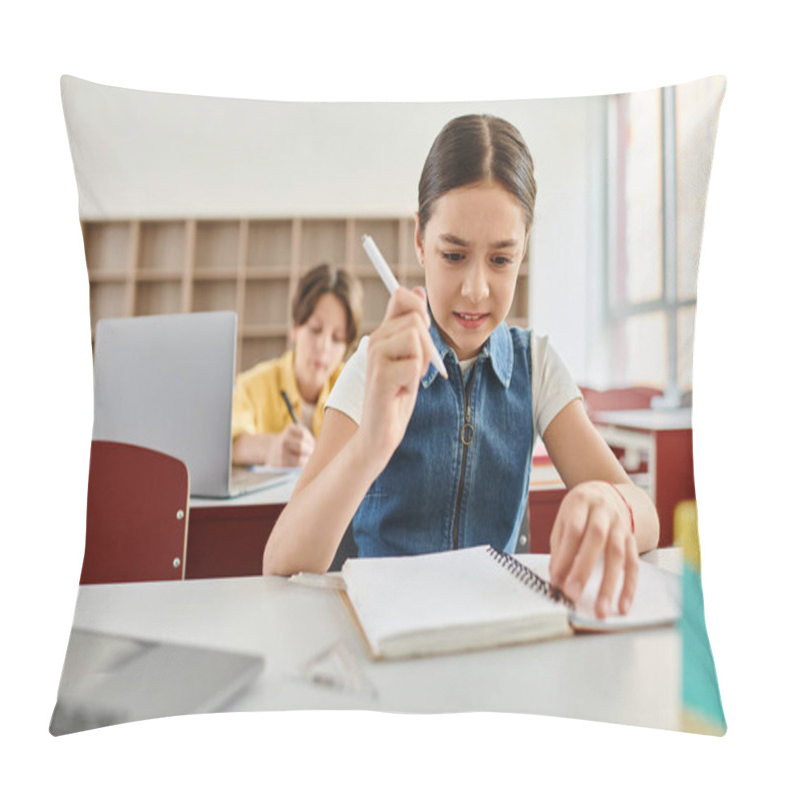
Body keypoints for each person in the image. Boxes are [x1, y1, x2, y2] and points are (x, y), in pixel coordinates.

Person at [263, 114, 659, 619]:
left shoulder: (535, 366)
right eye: (453, 255)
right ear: (420, 241)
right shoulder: (374, 362)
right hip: (385, 636)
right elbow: (280, 561)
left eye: (500, 260)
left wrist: (612, 503)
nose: (476, 290)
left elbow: (645, 513)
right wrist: (371, 446)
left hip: (490, 638)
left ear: (524, 250)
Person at [231, 263, 362, 468]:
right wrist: (272, 448)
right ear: (295, 328)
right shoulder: (252, 385)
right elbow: (230, 444)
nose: (323, 347)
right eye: (315, 329)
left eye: (337, 338)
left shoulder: (353, 387)